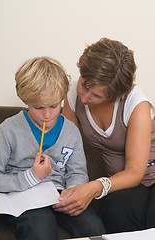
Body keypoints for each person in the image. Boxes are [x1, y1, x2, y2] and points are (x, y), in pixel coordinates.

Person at [53, 38, 155, 234]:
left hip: (142, 176)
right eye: (84, 84)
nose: (84, 97)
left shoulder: (136, 104)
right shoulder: (74, 96)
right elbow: (66, 147)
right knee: (115, 208)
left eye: (96, 96)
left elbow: (135, 172)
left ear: (117, 95)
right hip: (126, 185)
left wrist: (94, 187)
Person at [0, 56, 105, 240]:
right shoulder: (8, 130)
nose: (48, 115)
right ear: (25, 101)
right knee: (40, 226)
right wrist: (32, 176)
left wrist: (72, 192)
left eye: (54, 106)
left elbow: (77, 172)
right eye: (39, 107)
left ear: (62, 98)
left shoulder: (71, 131)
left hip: (59, 195)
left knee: (93, 226)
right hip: (22, 197)